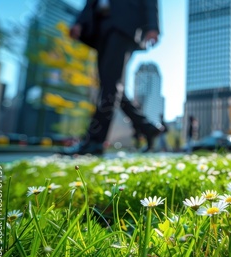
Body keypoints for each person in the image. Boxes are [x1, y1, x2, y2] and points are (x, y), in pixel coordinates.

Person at [65, 0, 164, 155]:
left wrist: (153, 26)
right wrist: (79, 23)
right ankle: (147, 128)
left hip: (124, 24)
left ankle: (94, 141)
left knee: (110, 85)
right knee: (110, 85)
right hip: (100, 27)